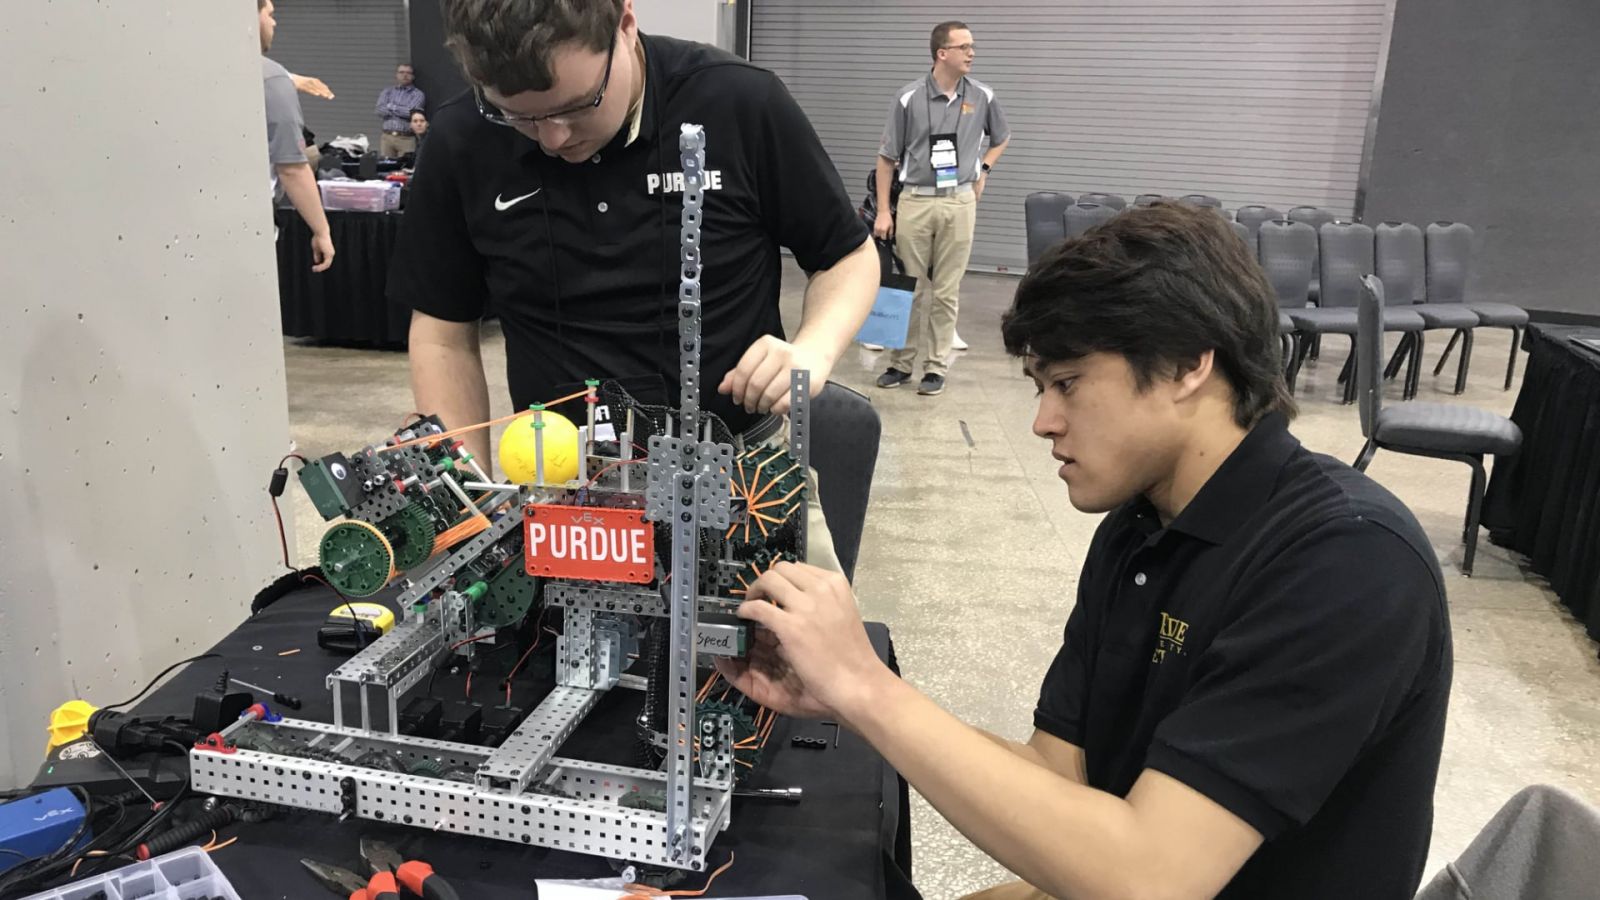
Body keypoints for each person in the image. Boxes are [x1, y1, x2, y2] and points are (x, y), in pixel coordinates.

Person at [718, 203, 1453, 899]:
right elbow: (1056, 780)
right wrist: (850, 700)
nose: (1043, 420)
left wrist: (867, 688)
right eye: (1041, 386)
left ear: (1188, 365)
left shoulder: (1346, 564)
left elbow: (1149, 878)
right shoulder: (1141, 529)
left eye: (1068, 383)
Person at [391, 0, 876, 477]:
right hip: (560, 481)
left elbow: (847, 256)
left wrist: (814, 349)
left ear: (624, 23)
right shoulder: (461, 138)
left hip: (738, 471)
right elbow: (443, 332)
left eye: (577, 107)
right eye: (517, 117)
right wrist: (465, 493)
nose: (553, 138)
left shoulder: (739, 101)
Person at [873, 20, 1010, 396]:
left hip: (959, 202)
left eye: (972, 46)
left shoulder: (982, 96)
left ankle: (935, 367)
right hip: (916, 200)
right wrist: (885, 211)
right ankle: (901, 364)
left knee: (947, 291)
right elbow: (886, 158)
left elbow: (1002, 137)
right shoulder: (908, 98)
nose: (972, 53)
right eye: (964, 47)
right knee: (909, 289)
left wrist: (983, 169)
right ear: (942, 53)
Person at [259, 0, 333, 272]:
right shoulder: (272, 79)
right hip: (250, 221)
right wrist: (321, 230)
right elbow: (291, 167)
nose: (274, 23)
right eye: (270, 15)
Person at [376, 64, 426, 158]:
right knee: (386, 168)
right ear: (396, 75)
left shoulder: (417, 94)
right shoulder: (387, 91)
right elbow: (379, 110)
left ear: (413, 76)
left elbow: (411, 113)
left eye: (408, 73)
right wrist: (401, 109)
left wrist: (391, 107)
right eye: (402, 72)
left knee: (405, 168)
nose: (405, 75)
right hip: (387, 137)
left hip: (406, 138)